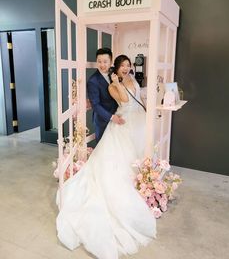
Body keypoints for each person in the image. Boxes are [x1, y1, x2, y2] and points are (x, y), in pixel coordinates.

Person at [56, 55, 156, 259]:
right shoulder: (111, 85)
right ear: (116, 68)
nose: (126, 68)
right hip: (120, 123)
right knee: (116, 162)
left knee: (137, 155)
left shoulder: (132, 78)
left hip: (137, 122)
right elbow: (125, 100)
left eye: (128, 65)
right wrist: (116, 83)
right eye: (123, 66)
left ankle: (142, 182)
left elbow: (139, 98)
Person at [87, 47, 125, 143]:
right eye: (99, 61)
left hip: (119, 115)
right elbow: (95, 105)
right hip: (103, 120)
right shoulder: (93, 81)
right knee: (103, 149)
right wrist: (112, 117)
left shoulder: (115, 72)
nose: (102, 65)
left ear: (111, 61)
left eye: (105, 61)